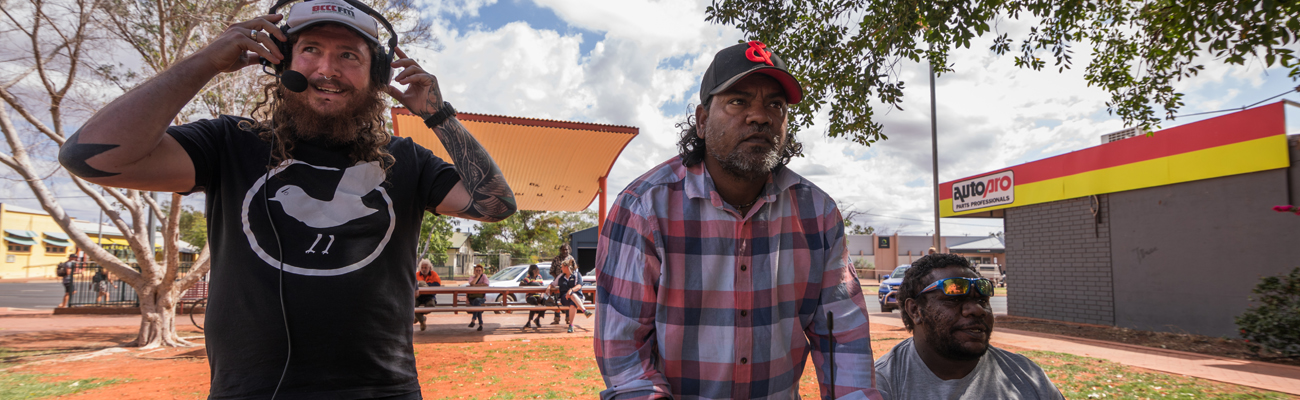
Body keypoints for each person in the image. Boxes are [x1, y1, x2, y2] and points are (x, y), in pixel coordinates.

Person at [56, 1, 517, 397]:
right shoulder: (228, 142)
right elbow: (89, 157)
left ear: (376, 76)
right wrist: (206, 62)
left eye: (349, 55)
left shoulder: (406, 160)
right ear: (281, 64)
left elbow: (494, 205)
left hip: (384, 390)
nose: (327, 69)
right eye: (311, 49)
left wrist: (439, 115)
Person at [595, 41, 882, 400]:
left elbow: (843, 336)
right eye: (738, 101)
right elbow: (624, 354)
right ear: (702, 121)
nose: (760, 116)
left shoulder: (817, 213)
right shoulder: (643, 209)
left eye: (775, 105)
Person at [875, 254, 1063, 399]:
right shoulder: (881, 385)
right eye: (954, 299)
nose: (977, 310)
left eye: (982, 300)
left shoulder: (1029, 377)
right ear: (915, 310)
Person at [550, 258, 589, 333]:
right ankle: (584, 310)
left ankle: (571, 325)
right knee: (572, 297)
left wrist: (571, 290)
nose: (561, 268)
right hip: (565, 298)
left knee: (573, 303)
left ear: (566, 267)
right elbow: (553, 284)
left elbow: (579, 285)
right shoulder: (561, 276)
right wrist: (549, 287)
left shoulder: (577, 275)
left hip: (578, 298)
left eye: (562, 267)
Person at [549, 243, 573, 325]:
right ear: (560, 250)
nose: (565, 251)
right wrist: (558, 278)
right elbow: (551, 271)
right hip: (557, 283)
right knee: (556, 300)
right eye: (563, 249)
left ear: (569, 250)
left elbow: (574, 270)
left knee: (568, 298)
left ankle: (568, 318)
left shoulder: (571, 258)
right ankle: (557, 319)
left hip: (568, 282)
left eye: (566, 249)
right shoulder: (556, 259)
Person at [415, 259, 441, 331]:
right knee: (412, 305)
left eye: (425, 267)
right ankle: (422, 319)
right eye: (422, 267)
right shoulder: (416, 275)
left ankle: (417, 316)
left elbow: (437, 284)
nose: (423, 269)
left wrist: (425, 285)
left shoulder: (434, 274)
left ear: (429, 268)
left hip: (430, 296)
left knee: (431, 305)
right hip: (418, 296)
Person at [520, 264, 547, 331]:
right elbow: (521, 284)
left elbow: (542, 287)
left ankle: (538, 318)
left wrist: (542, 294)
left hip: (538, 295)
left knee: (545, 302)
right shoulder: (528, 278)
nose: (539, 270)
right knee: (534, 302)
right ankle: (529, 321)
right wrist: (529, 285)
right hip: (530, 296)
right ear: (534, 271)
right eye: (537, 269)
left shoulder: (539, 277)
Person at [466, 264, 489, 331]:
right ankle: (480, 324)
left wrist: (476, 285)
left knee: (477, 302)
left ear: (482, 271)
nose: (478, 272)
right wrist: (477, 277)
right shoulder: (471, 277)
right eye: (477, 270)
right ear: (474, 271)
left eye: (479, 271)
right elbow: (472, 284)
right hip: (472, 298)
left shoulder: (484, 276)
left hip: (481, 298)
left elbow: (486, 284)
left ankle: (473, 320)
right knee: (477, 304)